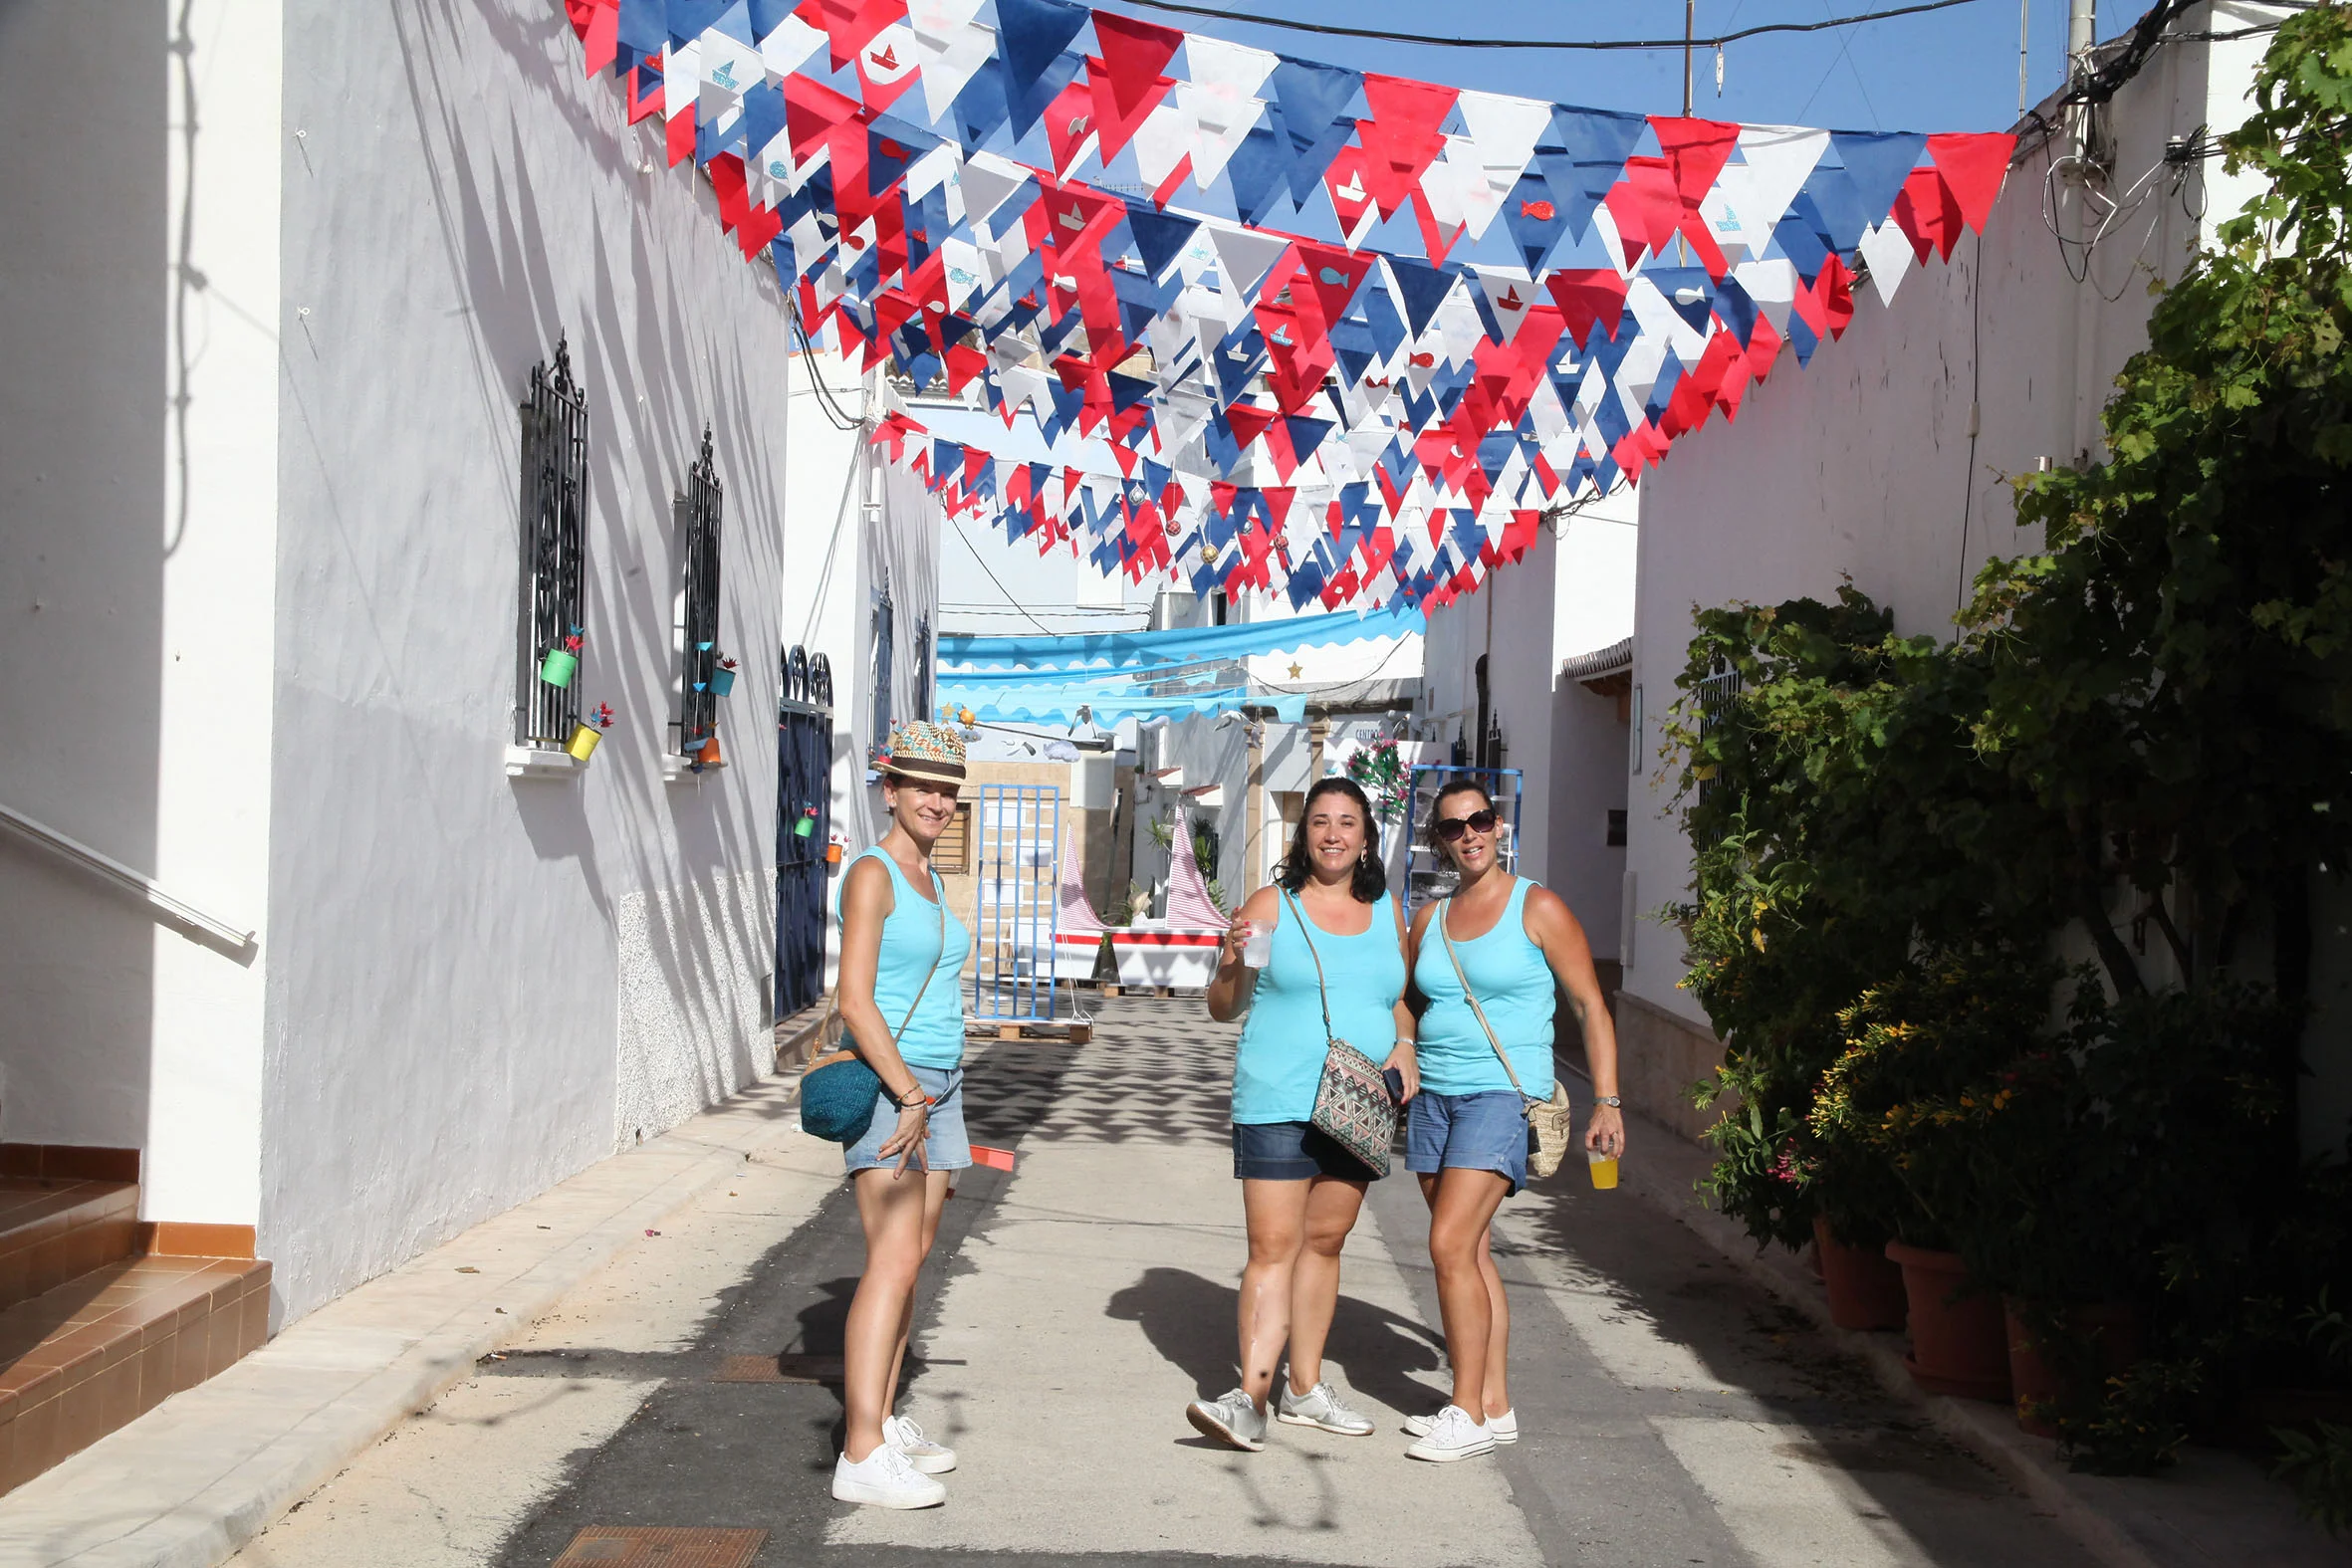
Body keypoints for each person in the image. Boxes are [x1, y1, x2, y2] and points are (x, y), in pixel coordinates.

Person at [1185, 777, 1419, 1452]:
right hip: (1280, 1096)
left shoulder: (1387, 913)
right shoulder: (1270, 905)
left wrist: (1405, 1044)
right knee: (1273, 1248)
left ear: (1367, 837)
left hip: (1359, 1099)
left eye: (1348, 821)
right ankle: (1250, 1397)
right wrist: (1230, 958)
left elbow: (1397, 996)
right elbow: (1226, 1005)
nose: (1333, 833)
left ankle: (1305, 1388)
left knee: (1325, 1243)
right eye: (1320, 820)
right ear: (1303, 833)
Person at [1400, 780, 1625, 1462]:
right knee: (1469, 1250)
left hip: (1502, 1094)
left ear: (1499, 826)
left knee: (1447, 1244)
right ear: (1438, 841)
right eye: (1451, 827)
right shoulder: (1429, 918)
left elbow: (1590, 1004)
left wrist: (1607, 1100)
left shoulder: (1539, 907)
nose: (1467, 833)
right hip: (1433, 1096)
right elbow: (1409, 998)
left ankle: (1463, 1408)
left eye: (1478, 820)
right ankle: (1495, 1404)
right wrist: (1405, 1052)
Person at [826, 721, 976, 1509]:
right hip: (896, 1085)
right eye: (922, 786)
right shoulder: (875, 875)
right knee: (889, 1258)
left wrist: (939, 1088)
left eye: (947, 790)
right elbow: (854, 1000)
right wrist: (911, 1095)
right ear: (891, 789)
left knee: (912, 1259)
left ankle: (880, 1419)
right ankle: (859, 1452)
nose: (937, 801)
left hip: (942, 1084)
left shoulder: (930, 878)